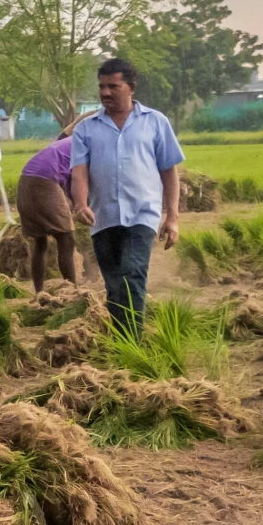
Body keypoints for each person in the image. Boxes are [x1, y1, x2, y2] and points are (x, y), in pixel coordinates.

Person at [68, 59, 185, 333]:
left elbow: (169, 171)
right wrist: (81, 203)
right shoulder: (86, 128)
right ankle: (122, 341)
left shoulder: (155, 122)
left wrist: (173, 217)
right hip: (103, 217)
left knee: (132, 273)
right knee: (115, 286)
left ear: (130, 88)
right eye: (101, 87)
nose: (106, 92)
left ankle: (133, 345)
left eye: (113, 86)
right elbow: (79, 173)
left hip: (142, 214)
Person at [14, 115, 92, 294]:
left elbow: (70, 179)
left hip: (26, 179)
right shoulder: (88, 143)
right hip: (44, 182)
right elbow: (82, 179)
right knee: (66, 239)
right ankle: (72, 291)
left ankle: (39, 292)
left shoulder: (66, 141)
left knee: (40, 242)